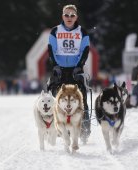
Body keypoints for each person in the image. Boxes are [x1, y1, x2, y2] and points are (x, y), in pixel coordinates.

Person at [47, 4, 90, 142]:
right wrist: (55, 66)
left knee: (81, 99)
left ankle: (84, 129)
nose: (69, 17)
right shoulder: (55, 31)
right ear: (62, 16)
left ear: (76, 16)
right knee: (56, 99)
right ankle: (59, 129)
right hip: (59, 70)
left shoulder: (82, 32)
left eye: (72, 15)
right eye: (66, 15)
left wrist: (80, 66)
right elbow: (51, 50)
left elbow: (85, 50)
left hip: (75, 69)